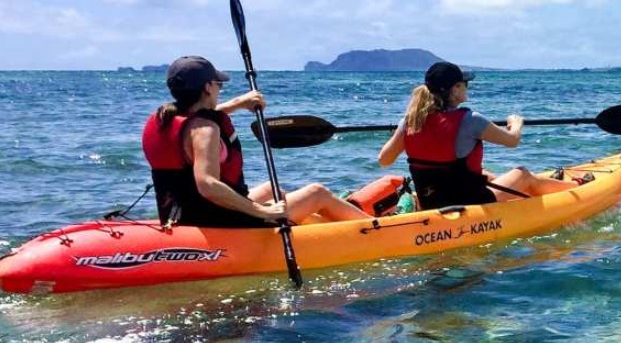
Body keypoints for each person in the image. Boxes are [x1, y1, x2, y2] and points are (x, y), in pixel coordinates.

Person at [141, 56, 370, 227]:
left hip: (179, 213)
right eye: (219, 84)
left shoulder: (163, 119)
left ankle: (321, 229)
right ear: (208, 87)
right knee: (317, 192)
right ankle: (377, 229)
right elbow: (208, 185)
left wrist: (239, 103)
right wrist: (263, 212)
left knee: (273, 189)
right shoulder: (205, 130)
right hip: (215, 220)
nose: (220, 89)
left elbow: (197, 119)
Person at [377, 61, 587, 209]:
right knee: (522, 174)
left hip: (432, 202)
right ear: (455, 89)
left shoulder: (410, 121)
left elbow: (384, 160)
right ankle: (579, 188)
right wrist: (515, 124)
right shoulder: (470, 120)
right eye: (465, 84)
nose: (467, 88)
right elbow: (512, 141)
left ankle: (550, 184)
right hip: (472, 202)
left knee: (482, 173)